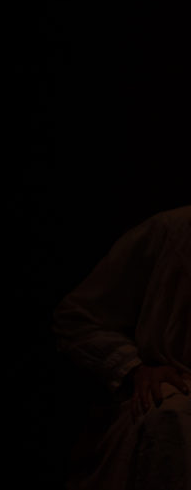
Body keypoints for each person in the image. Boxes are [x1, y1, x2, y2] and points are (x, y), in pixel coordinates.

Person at [54, 206, 191, 490]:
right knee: (171, 419)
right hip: (168, 392)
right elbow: (77, 319)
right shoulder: (171, 231)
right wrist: (133, 367)